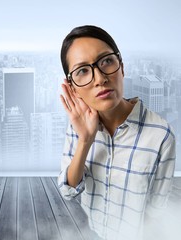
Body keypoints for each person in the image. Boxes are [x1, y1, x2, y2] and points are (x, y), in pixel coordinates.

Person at [57, 25, 176, 239]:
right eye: (83, 71)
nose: (100, 78)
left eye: (106, 61)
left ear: (121, 66)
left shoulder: (161, 135)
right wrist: (85, 140)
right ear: (72, 87)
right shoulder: (78, 126)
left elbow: (156, 210)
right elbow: (68, 191)